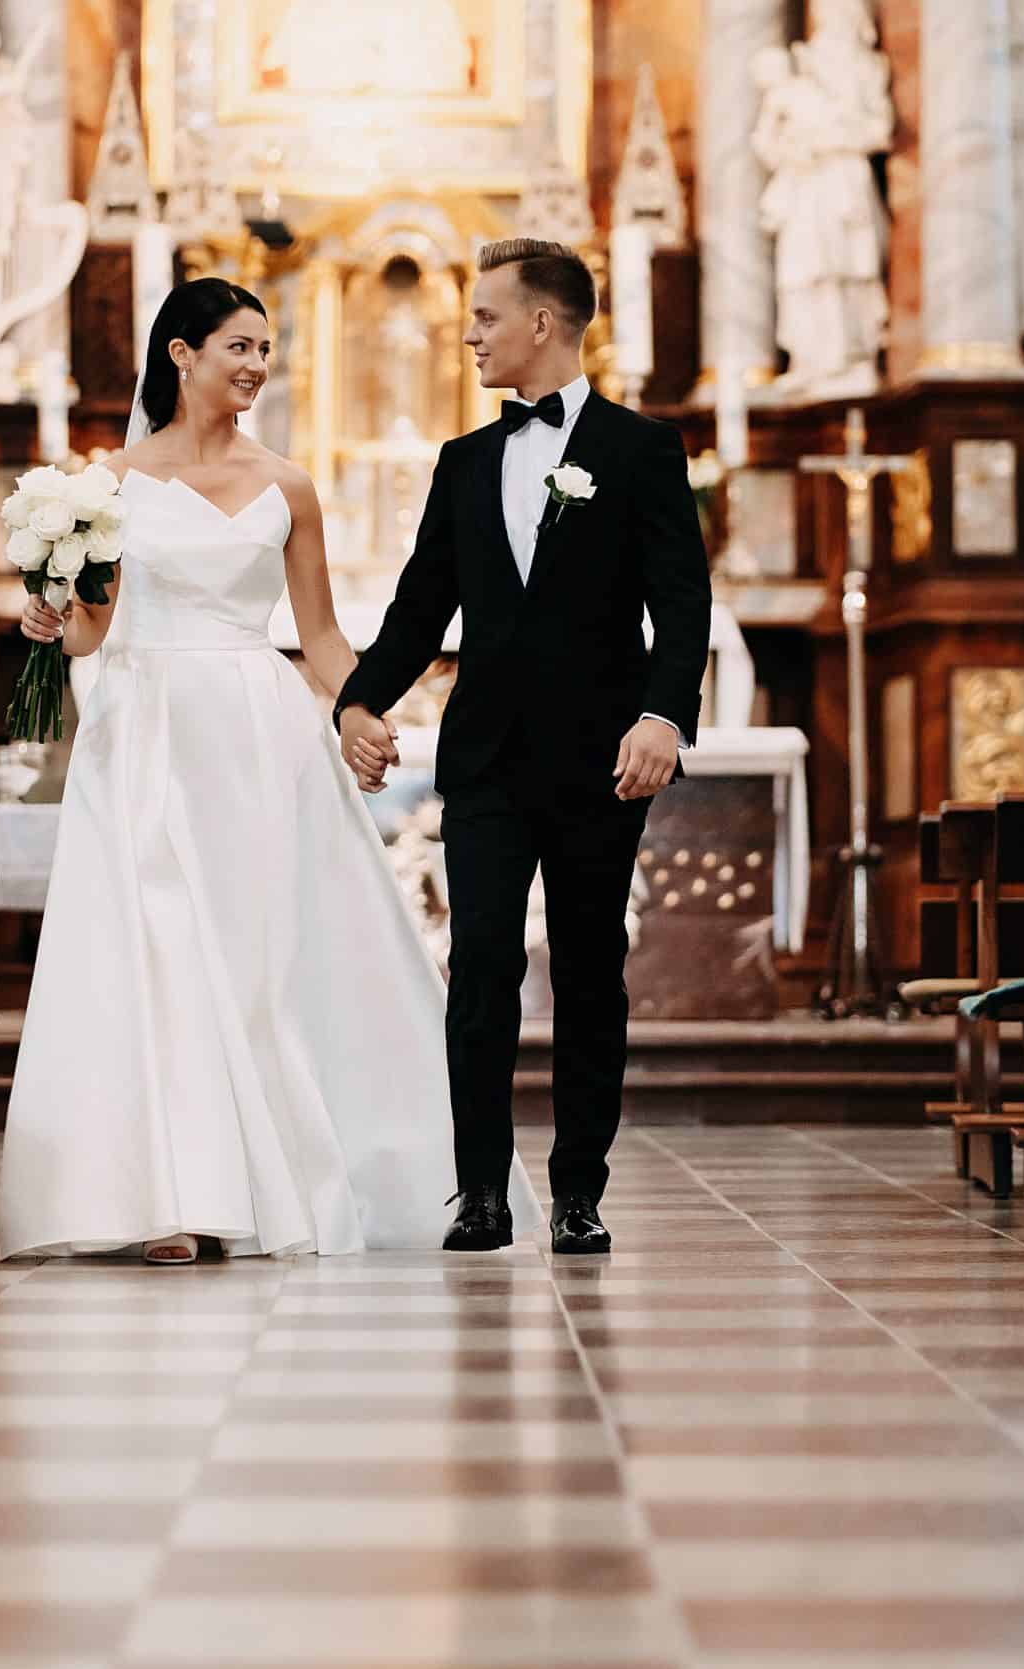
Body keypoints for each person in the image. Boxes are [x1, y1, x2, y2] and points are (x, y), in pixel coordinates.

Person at [0, 278, 538, 1264]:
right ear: (180, 353)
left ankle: (255, 1184)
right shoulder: (102, 485)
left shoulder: (287, 485)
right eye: (238, 347)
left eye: (264, 350)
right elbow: (87, 635)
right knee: (152, 950)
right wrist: (48, 618)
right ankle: (167, 1197)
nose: (254, 367)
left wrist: (360, 711)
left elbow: (321, 635)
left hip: (252, 731)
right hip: (141, 729)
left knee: (249, 963)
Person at [336, 238, 711, 1256]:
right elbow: (419, 610)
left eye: (486, 317)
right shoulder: (465, 464)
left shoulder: (641, 451)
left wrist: (663, 716)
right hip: (489, 759)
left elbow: (682, 605)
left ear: (542, 323)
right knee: (481, 967)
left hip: (604, 756)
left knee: (593, 971)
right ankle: (481, 1191)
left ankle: (580, 1188)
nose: (469, 335)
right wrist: (357, 702)